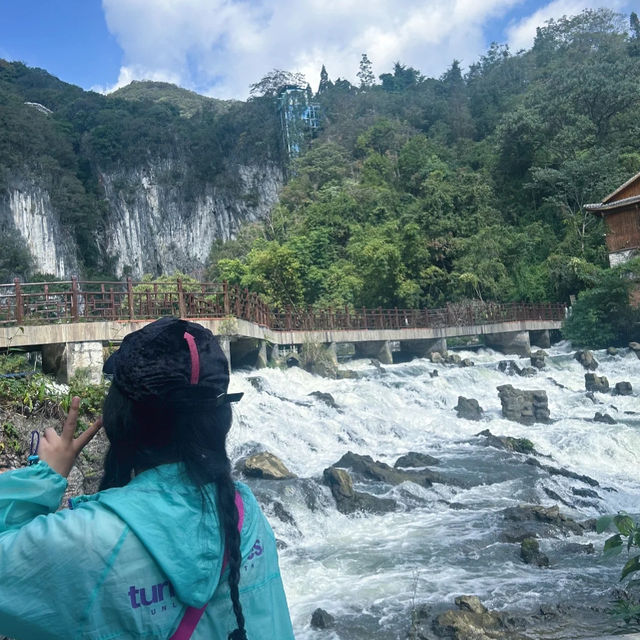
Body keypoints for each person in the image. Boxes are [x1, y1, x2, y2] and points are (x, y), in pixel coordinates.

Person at [0, 317, 295, 640]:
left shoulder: (86, 543)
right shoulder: (245, 515)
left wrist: (44, 477)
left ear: (120, 418)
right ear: (219, 420)